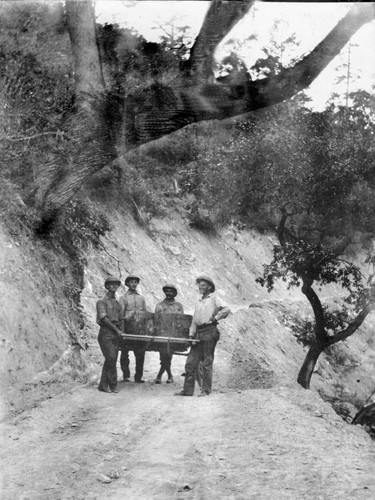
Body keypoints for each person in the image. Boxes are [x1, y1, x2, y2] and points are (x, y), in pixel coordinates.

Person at [175, 275, 231, 397]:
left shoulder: (214, 298)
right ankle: (188, 390)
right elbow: (195, 320)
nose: (201, 287)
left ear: (209, 287)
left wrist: (215, 318)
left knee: (206, 363)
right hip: (198, 334)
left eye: (204, 285)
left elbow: (227, 309)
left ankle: (206, 391)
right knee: (190, 363)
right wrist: (191, 335)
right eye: (200, 285)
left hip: (210, 332)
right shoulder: (199, 301)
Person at [96, 276, 124, 394]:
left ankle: (103, 385)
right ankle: (113, 385)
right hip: (106, 333)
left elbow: (121, 319)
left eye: (116, 284)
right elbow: (104, 319)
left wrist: (121, 331)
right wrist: (117, 330)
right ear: (106, 286)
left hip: (115, 333)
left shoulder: (117, 304)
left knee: (111, 359)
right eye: (111, 284)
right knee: (111, 358)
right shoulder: (101, 302)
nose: (114, 286)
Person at [119, 275, 147, 383]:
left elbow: (145, 314)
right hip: (127, 329)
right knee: (124, 353)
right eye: (131, 282)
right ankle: (126, 375)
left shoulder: (141, 298)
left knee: (140, 353)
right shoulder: (123, 298)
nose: (134, 284)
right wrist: (122, 330)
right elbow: (120, 315)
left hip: (139, 330)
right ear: (127, 284)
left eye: (136, 282)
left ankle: (138, 377)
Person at [154, 284, 184, 384]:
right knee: (163, 355)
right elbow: (156, 321)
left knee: (168, 355)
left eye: (170, 291)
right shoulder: (159, 305)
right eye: (166, 291)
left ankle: (160, 376)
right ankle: (169, 376)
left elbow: (182, 321)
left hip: (173, 334)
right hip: (161, 334)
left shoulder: (178, 305)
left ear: (174, 293)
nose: (168, 293)